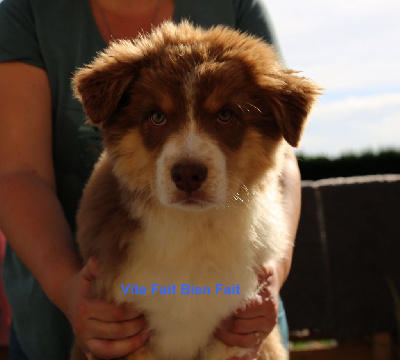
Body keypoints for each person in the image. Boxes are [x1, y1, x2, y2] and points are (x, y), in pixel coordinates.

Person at [0, 0, 301, 359]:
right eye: (157, 116)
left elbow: (281, 153)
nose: (188, 160)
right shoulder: (28, 11)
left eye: (225, 115)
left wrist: (271, 273)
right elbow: (16, 172)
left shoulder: (235, 4)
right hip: (76, 304)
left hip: (242, 323)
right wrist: (68, 290)